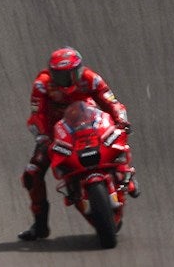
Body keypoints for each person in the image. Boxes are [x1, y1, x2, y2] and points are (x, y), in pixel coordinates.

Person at [17, 47, 137, 242]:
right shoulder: (42, 85)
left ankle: (128, 175)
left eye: (70, 74)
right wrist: (41, 136)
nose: (66, 79)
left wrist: (121, 120)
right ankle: (40, 225)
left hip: (91, 125)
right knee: (31, 173)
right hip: (58, 133)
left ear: (79, 70)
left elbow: (111, 101)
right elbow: (36, 115)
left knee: (118, 136)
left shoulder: (91, 78)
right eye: (59, 75)